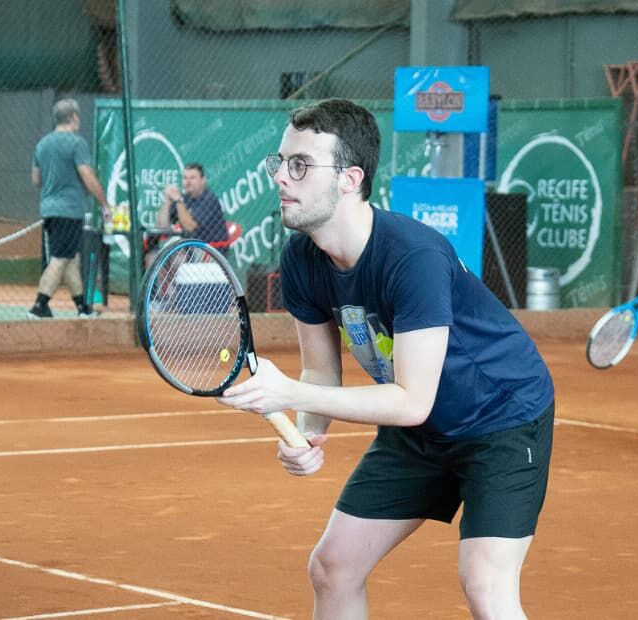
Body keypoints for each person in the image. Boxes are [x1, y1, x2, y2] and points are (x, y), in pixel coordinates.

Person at [217, 99, 555, 619]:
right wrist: (307, 432)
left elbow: (411, 400)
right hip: (421, 433)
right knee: (332, 568)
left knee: (485, 583)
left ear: (350, 178)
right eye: (279, 162)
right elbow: (321, 369)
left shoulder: (411, 257)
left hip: (501, 418)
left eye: (300, 165)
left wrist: (288, 395)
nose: (282, 178)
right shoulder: (303, 258)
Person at [28, 98, 110, 318]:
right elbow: (87, 175)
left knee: (71, 258)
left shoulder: (42, 144)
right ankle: (39, 305)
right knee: (60, 258)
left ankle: (83, 307)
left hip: (49, 209)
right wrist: (104, 203)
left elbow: (36, 179)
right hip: (70, 210)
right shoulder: (77, 143)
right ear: (74, 117)